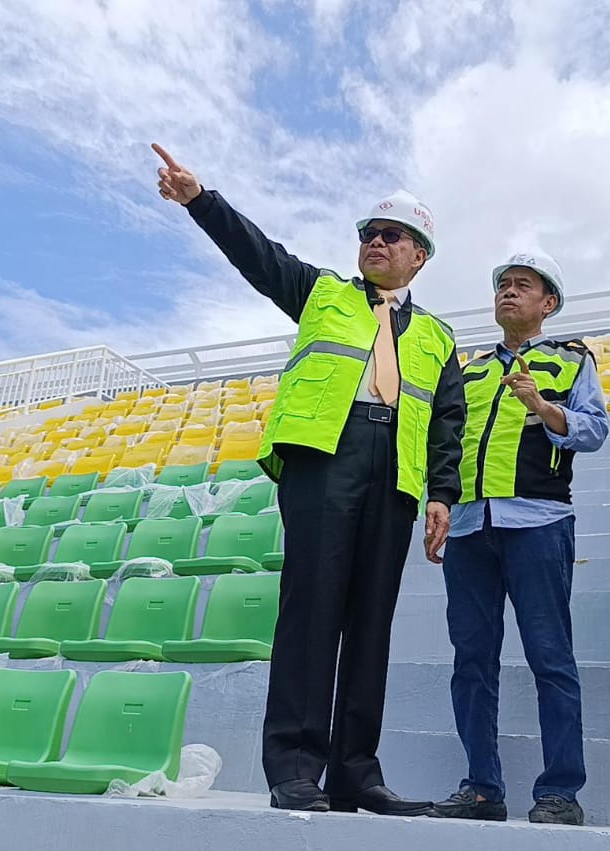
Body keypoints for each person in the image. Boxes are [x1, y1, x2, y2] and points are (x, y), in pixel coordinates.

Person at [150, 143, 466, 816]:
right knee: (312, 610)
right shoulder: (321, 292)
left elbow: (448, 421)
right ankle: (295, 766)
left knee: (370, 622)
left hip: (396, 474)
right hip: (327, 455)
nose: (377, 241)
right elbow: (258, 255)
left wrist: (442, 494)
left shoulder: (439, 337)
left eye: (393, 235)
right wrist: (200, 198)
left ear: (421, 255)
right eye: (369, 233)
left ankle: (356, 772)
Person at [432, 252, 608, 826]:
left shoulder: (571, 360)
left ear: (547, 303)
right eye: (503, 285)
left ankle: (560, 791)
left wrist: (544, 408)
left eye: (522, 285)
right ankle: (482, 787)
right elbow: (445, 443)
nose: (509, 292)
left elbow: (595, 430)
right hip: (467, 527)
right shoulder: (469, 368)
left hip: (538, 522)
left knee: (551, 659)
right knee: (471, 662)